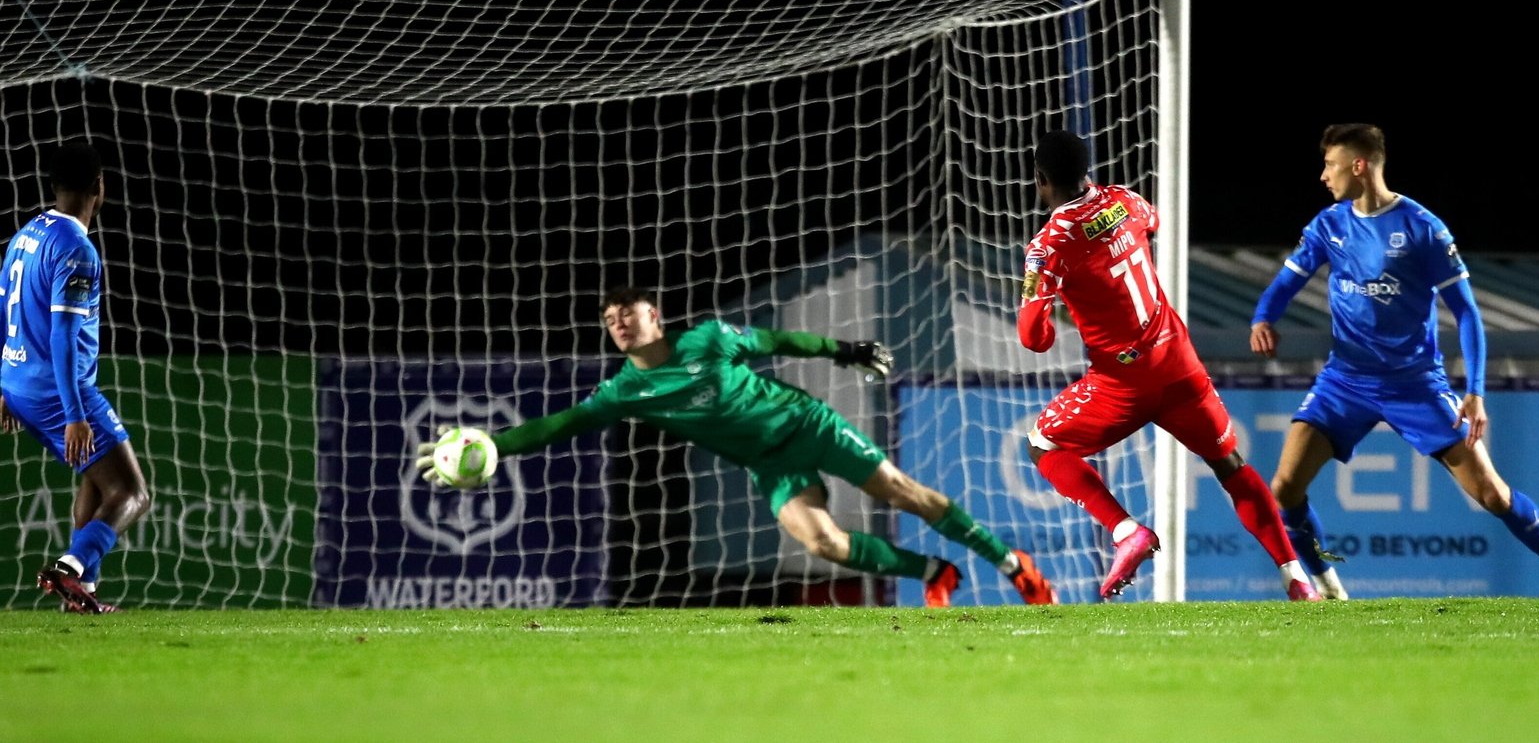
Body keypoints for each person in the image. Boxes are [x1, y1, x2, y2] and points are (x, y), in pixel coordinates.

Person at [417, 285, 1058, 608]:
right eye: (610, 320)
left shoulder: (709, 340)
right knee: (824, 544)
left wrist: (845, 350)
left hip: (805, 425)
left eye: (628, 313)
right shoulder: (626, 391)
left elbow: (779, 343)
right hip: (769, 463)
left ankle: (1013, 564)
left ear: (655, 315)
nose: (618, 323)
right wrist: (495, 446)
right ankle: (933, 573)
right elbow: (559, 426)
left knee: (905, 493)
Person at [1250, 122, 1539, 600]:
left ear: (1360, 166)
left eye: (1330, 165)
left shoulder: (1422, 228)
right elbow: (1286, 282)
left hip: (1415, 384)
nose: (1323, 176)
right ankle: (1330, 590)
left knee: (1492, 494)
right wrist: (1263, 317)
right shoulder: (1329, 225)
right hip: (1345, 381)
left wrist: (1474, 392)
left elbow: (1467, 314)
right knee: (1285, 487)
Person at [1018, 130, 1319, 601]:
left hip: (1122, 381)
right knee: (1230, 465)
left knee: (1042, 443)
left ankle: (1124, 531)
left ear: (1040, 179)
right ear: (1086, 173)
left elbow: (1033, 338)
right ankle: (1297, 577)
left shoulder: (1048, 244)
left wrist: (1055, 305)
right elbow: (1150, 221)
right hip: (1179, 366)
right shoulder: (1127, 201)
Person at [1, 140, 152, 614]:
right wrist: (74, 414)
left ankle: (82, 594)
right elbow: (64, 333)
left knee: (97, 479)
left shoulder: (27, 234)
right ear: (99, 188)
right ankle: (72, 568)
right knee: (132, 492)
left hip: (19, 382)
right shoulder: (77, 250)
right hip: (58, 391)